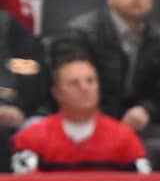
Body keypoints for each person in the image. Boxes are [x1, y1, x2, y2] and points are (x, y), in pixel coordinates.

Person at [52, 0, 160, 133]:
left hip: (139, 123)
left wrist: (146, 109)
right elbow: (74, 89)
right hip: (87, 121)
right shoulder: (79, 34)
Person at [11, 57, 150, 173]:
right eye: (74, 83)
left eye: (90, 81)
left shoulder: (125, 138)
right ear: (57, 93)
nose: (84, 88)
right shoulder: (31, 139)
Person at [0, 8, 49, 167]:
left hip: (14, 111)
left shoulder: (7, 25)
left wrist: (17, 105)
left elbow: (31, 68)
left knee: (37, 127)